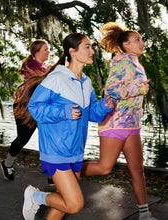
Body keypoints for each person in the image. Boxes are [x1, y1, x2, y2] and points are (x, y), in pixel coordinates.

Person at [22, 33, 113, 220]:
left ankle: (37, 198)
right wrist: (63, 112)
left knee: (65, 203)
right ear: (72, 51)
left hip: (76, 150)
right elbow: (35, 107)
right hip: (55, 150)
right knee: (75, 203)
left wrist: (107, 103)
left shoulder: (86, 83)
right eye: (87, 47)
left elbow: (93, 115)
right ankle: (35, 196)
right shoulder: (56, 78)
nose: (92, 51)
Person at [81, 22, 156, 220]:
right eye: (137, 40)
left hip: (131, 124)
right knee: (105, 167)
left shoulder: (136, 63)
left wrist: (138, 90)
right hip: (115, 123)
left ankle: (145, 214)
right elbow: (112, 91)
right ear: (126, 45)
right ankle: (64, 171)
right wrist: (138, 89)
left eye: (141, 39)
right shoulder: (122, 62)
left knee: (137, 169)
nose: (142, 42)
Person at [0, 39, 51, 182]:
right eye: (45, 49)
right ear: (36, 52)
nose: (48, 52)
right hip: (24, 109)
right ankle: (7, 163)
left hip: (40, 108)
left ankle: (51, 173)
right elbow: (44, 79)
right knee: (23, 138)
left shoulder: (45, 67)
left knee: (48, 138)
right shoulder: (32, 66)